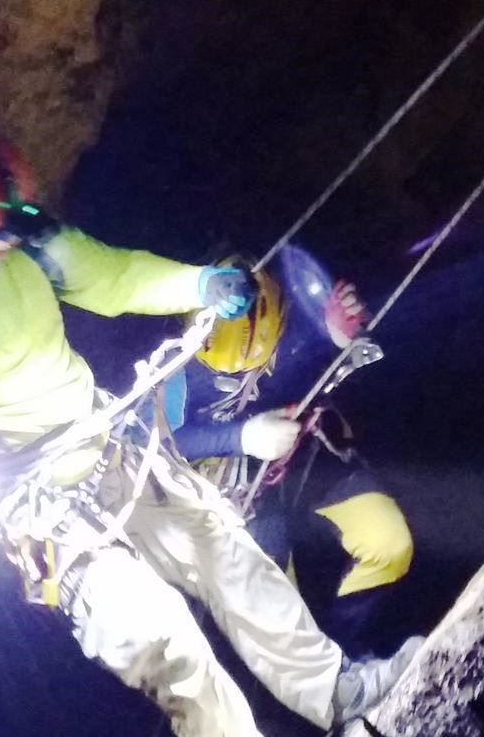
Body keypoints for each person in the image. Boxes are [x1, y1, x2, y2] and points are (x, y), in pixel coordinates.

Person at [0, 116, 420, 737]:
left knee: (225, 551)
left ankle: (341, 691)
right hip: (36, 503)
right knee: (158, 635)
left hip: (106, 438)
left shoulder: (30, 249)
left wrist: (200, 286)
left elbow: (109, 275)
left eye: (4, 239)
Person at [158, 255, 417, 649]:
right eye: (227, 375)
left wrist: (337, 338)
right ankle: (322, 689)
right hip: (238, 499)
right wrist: (243, 437)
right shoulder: (173, 368)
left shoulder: (280, 323)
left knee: (387, 544)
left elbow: (305, 355)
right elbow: (160, 442)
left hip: (302, 458)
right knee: (279, 623)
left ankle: (351, 656)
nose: (240, 378)